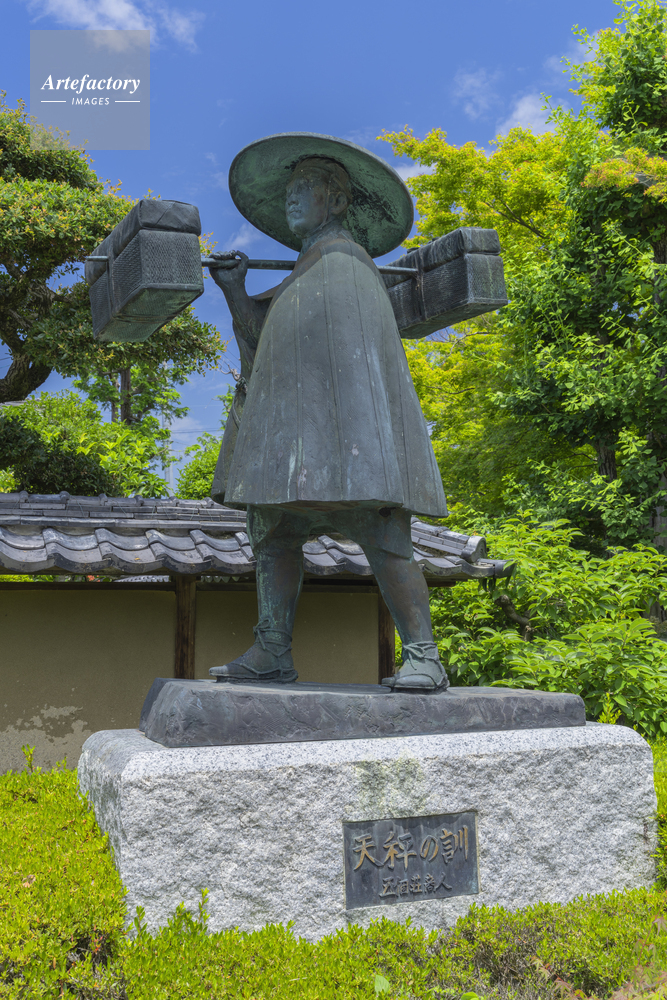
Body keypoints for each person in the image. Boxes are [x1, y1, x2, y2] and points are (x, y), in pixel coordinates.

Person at [208, 132, 449, 691]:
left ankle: (425, 657)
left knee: (385, 537)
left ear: (337, 200)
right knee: (273, 532)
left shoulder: (348, 267)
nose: (291, 197)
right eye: (288, 189)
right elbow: (262, 350)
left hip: (355, 445)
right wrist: (235, 291)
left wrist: (363, 449)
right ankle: (272, 649)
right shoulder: (303, 272)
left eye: (304, 186)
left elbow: (361, 368)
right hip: (297, 448)